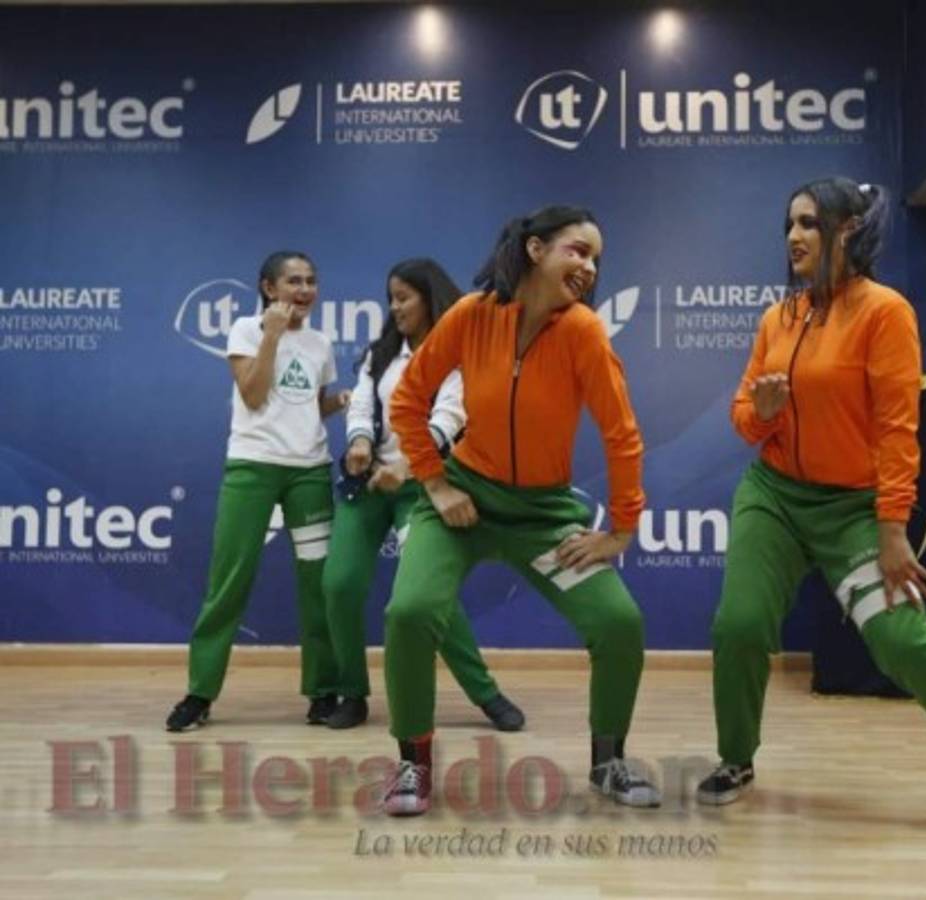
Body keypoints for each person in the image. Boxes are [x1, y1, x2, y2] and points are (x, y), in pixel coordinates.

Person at [696, 178, 926, 838]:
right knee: (739, 625)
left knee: (904, 641)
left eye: (808, 223)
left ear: (847, 231)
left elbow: (897, 430)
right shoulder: (778, 319)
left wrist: (892, 528)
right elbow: (745, 419)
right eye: (789, 224)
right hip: (774, 497)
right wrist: (762, 412)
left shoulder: (885, 313)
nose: (793, 236)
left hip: (854, 510)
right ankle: (735, 758)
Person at [379, 205, 659, 816]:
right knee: (410, 612)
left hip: (543, 516)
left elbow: (621, 435)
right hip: (463, 505)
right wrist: (436, 485)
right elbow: (407, 402)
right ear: (535, 249)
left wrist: (621, 530)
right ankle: (412, 767)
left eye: (596, 258)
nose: (589, 267)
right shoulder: (471, 315)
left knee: (619, 623)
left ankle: (609, 762)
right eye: (577, 250)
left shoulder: (584, 332)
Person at [321, 258, 525, 731]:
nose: (395, 308)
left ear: (430, 298)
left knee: (426, 595)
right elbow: (362, 403)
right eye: (391, 299)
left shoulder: (459, 352)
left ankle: (485, 693)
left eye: (403, 298)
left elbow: (449, 419)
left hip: (424, 485)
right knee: (339, 584)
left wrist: (405, 467)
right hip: (370, 483)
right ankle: (351, 693)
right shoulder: (381, 353)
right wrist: (359, 442)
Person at [166, 251, 350, 731]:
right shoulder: (247, 330)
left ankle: (323, 691)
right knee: (229, 582)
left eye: (311, 281)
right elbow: (253, 394)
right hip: (252, 468)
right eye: (294, 281)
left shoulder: (321, 343)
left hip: (309, 473)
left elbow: (307, 405)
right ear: (269, 288)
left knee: (319, 587)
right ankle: (200, 693)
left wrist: (341, 401)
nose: (305, 290)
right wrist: (272, 335)